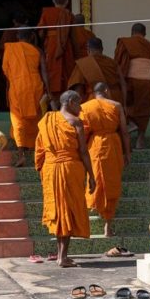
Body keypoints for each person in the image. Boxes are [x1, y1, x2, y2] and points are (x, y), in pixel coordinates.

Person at [35, 90, 96, 268]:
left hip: (51, 169)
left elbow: (39, 149)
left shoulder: (46, 121)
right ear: (69, 102)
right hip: (70, 168)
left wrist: (42, 168)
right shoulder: (75, 121)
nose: (80, 108)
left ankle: (62, 255)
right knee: (67, 211)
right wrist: (92, 176)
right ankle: (63, 256)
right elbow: (83, 152)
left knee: (59, 211)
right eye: (78, 103)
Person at [81, 82, 130, 237]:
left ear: (94, 93)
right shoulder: (116, 105)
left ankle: (96, 207)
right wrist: (127, 152)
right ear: (107, 91)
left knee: (96, 178)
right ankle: (108, 224)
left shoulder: (85, 107)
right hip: (113, 145)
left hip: (94, 146)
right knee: (111, 182)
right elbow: (124, 131)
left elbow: (82, 133)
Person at [2, 29, 50, 167]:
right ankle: (40, 154)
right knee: (37, 119)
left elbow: (5, 69)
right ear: (31, 37)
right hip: (36, 87)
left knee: (18, 121)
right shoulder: (38, 51)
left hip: (17, 87)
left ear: (18, 36)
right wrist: (49, 90)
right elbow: (44, 72)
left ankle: (21, 155)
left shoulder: (10, 49)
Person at [114, 23, 150, 149]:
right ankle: (140, 139)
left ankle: (129, 128)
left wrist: (119, 82)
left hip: (129, 81)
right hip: (146, 81)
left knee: (127, 106)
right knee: (144, 111)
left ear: (132, 32)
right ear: (144, 34)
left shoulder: (125, 43)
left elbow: (118, 62)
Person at [37, 0, 75, 106]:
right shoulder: (69, 15)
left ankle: (53, 100)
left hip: (51, 47)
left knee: (51, 71)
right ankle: (64, 102)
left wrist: (47, 37)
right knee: (66, 72)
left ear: (53, 1)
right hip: (66, 47)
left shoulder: (46, 13)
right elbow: (73, 36)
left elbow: (41, 32)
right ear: (67, 2)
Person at [67, 37, 127, 106]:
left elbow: (78, 89)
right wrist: (124, 104)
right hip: (115, 99)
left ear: (88, 50)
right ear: (102, 49)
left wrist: (78, 107)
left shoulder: (83, 63)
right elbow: (123, 84)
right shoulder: (113, 62)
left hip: (95, 101)